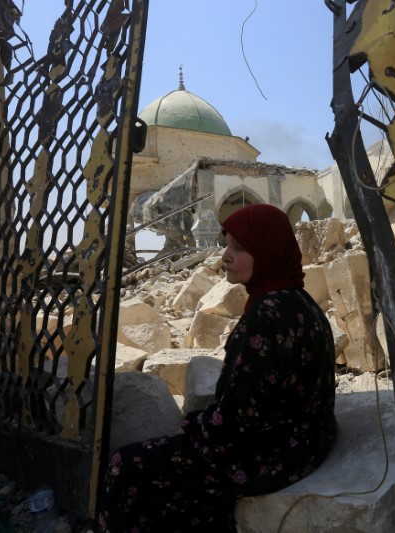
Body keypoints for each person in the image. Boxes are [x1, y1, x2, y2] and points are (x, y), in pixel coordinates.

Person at [98, 204, 337, 532]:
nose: (226, 255)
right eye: (227, 245)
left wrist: (194, 425)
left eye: (239, 248)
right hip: (305, 441)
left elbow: (237, 421)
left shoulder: (266, 316)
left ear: (267, 250)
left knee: (124, 466)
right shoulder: (299, 301)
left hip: (272, 454)